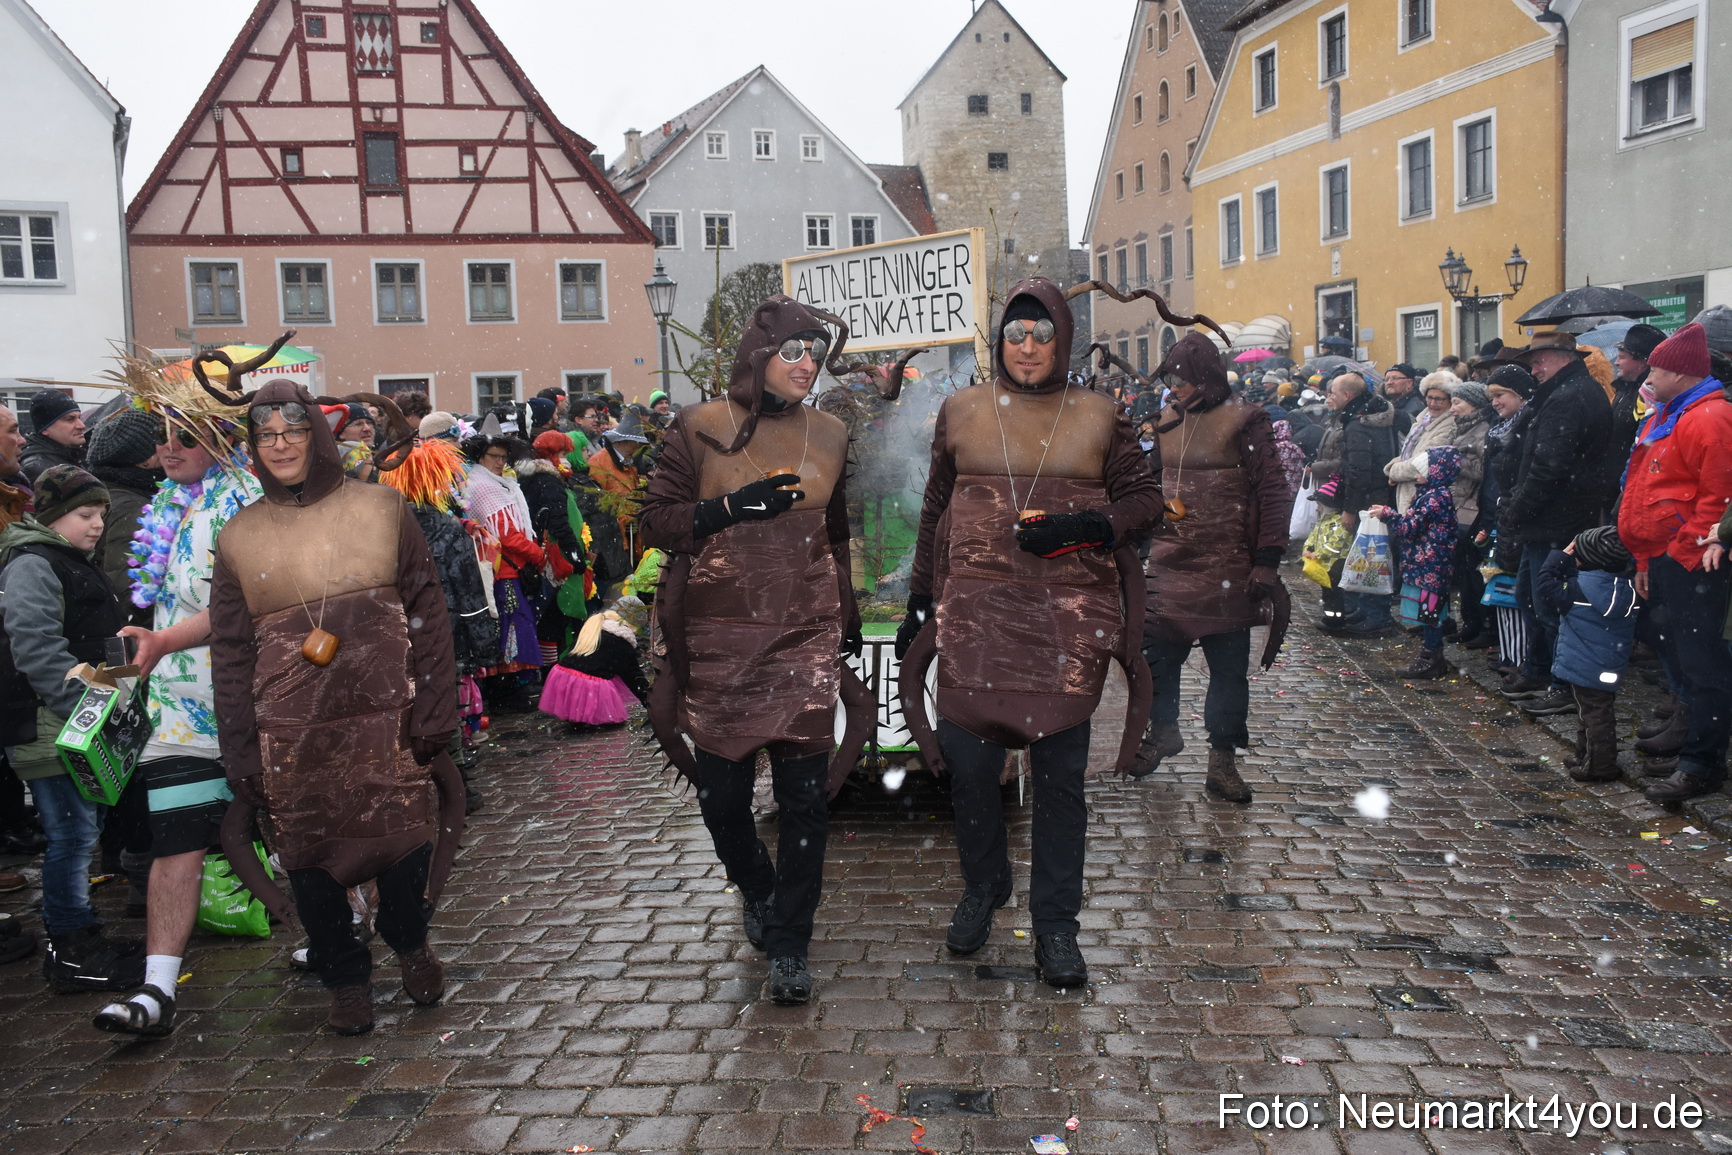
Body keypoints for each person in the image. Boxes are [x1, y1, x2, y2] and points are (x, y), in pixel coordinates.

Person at [896, 278, 1161, 988]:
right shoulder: (962, 410)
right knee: (969, 770)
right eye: (1016, 333)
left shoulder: (1099, 415)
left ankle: (1056, 926)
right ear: (1000, 340)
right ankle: (984, 884)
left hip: (1063, 624)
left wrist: (1087, 527)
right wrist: (920, 598)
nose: (1029, 346)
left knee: (1060, 781)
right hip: (976, 618)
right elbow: (935, 509)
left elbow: (1145, 502)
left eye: (1043, 333)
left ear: (1062, 339)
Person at [209, 381, 461, 1035]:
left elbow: (429, 612)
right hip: (291, 734)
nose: (280, 445)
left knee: (402, 848)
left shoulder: (382, 508)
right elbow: (230, 654)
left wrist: (436, 707)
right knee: (310, 863)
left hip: (386, 720)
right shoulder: (238, 536)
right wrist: (241, 750)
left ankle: (409, 941)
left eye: (293, 430)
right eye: (266, 434)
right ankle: (347, 982)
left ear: (316, 435)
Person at [638, 294, 868, 1005]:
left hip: (802, 634)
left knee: (804, 802)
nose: (807, 364)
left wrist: (848, 608)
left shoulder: (830, 433)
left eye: (816, 353)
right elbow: (655, 521)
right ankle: (758, 886)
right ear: (759, 354)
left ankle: (791, 943)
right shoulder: (698, 426)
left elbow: (834, 537)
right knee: (723, 800)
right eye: (793, 351)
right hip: (718, 638)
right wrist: (730, 509)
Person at [89, 404, 263, 1037]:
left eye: (186, 437)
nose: (169, 449)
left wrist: (163, 640)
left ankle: (348, 931)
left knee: (302, 830)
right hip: (177, 710)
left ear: (220, 439)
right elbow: (155, 600)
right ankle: (157, 989)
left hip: (251, 700)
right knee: (176, 840)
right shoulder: (165, 499)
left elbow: (246, 601)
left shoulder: (246, 500)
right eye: (164, 438)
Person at [0, 464, 143, 992]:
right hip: (51, 729)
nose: (97, 524)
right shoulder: (33, 564)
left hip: (75, 725)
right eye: (85, 514)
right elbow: (37, 651)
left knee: (82, 833)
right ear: (53, 515)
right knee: (71, 837)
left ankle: (83, 933)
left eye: (102, 513)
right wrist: (89, 714)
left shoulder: (68, 560)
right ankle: (70, 949)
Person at [1136, 332, 1291, 801]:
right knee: (1155, 658)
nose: (1174, 387)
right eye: (1170, 379)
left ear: (1205, 377)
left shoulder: (1247, 419)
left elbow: (1273, 491)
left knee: (1228, 671)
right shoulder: (1167, 421)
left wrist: (1266, 559)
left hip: (1229, 565)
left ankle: (1222, 761)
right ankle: (1163, 730)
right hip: (1169, 562)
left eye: (1181, 379)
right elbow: (1146, 485)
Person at [1617, 323, 1732, 804]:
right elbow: (1644, 490)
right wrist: (1645, 557)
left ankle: (1701, 764)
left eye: (1657, 370)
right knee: (1684, 660)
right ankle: (1689, 744)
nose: (1648, 377)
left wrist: (1684, 550)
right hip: (1666, 557)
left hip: (1693, 561)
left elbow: (1716, 496)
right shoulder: (1671, 414)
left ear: (1682, 374)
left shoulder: (1709, 418)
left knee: (1704, 665)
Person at [1499, 331, 1613, 718]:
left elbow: (1549, 466)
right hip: (1549, 518)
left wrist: (1518, 509)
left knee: (1550, 604)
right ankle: (1539, 671)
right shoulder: (1561, 392)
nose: (1533, 370)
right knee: (1531, 598)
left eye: (1539, 361)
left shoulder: (1570, 396)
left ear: (1564, 358)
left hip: (1557, 519)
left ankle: (1561, 685)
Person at [1538, 527, 1638, 784]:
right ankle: (1584, 754)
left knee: (1594, 715)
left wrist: (1558, 557)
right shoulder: (1627, 589)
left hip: (1582, 664)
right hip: (1609, 663)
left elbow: (1545, 585)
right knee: (1594, 711)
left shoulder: (1577, 590)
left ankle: (1600, 765)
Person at [1310, 373, 1403, 636]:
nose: (1329, 397)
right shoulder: (1371, 416)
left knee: (1371, 558)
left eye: (1333, 393)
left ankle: (1376, 617)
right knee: (1369, 556)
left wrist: (1350, 509)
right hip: (1379, 496)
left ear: (1347, 396)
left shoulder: (1358, 425)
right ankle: (1366, 610)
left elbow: (1358, 471)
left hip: (1369, 501)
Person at [463, 435, 546, 707]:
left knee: (515, 624)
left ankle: (514, 685)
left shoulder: (500, 483)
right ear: (481, 457)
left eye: (503, 457)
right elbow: (506, 534)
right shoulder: (483, 486)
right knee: (511, 625)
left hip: (511, 567)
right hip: (502, 570)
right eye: (494, 456)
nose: (500, 462)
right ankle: (507, 688)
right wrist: (537, 554)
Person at [1369, 446, 1463, 678]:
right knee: (1429, 611)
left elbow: (1409, 528)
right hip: (1429, 563)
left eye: (1422, 472)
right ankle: (1431, 656)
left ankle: (1431, 658)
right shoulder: (1431, 494)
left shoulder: (1434, 498)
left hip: (1430, 564)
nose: (1417, 476)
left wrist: (1388, 514)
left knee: (1430, 611)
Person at [1480, 365, 1537, 677]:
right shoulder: (1503, 428)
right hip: (1502, 512)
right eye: (1492, 396)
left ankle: (1520, 658)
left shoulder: (1526, 426)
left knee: (1516, 589)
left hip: (1515, 514)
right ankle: (1512, 654)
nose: (1495, 402)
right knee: (1506, 586)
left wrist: (1509, 508)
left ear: (1519, 394)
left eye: (1500, 395)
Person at [83, 411, 165, 617]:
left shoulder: (104, 491)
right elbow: (129, 590)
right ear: (145, 460)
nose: (170, 447)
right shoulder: (132, 509)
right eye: (162, 439)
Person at [539, 609, 648, 727]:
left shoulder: (594, 628)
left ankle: (575, 713)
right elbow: (633, 676)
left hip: (563, 677)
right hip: (587, 684)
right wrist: (648, 700)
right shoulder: (622, 643)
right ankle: (586, 715)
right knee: (610, 720)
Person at [21, 390, 86, 484]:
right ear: (45, 429)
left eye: (79, 418)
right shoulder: (39, 468)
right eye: (70, 419)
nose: (82, 425)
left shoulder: (70, 455)